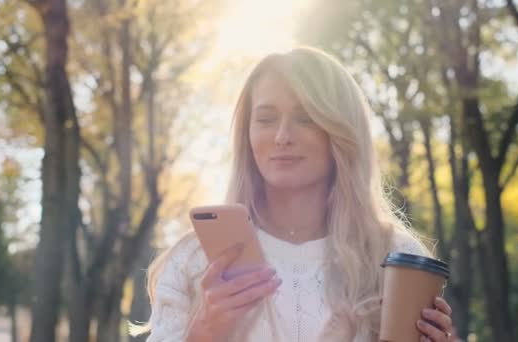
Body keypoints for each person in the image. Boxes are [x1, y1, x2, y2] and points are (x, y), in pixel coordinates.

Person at [137, 47, 455, 341]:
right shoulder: (194, 262)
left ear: (341, 131)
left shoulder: (395, 258)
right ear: (246, 134)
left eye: (306, 118)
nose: (282, 136)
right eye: (266, 119)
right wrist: (204, 331)